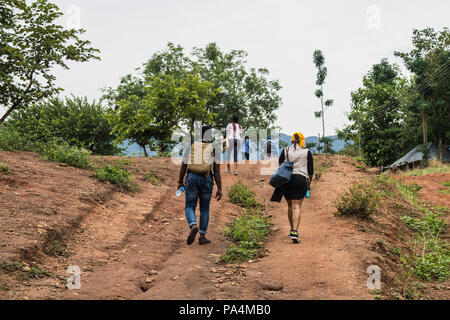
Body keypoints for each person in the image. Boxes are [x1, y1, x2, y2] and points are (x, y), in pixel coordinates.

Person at [178, 125, 223, 245]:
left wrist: (180, 181)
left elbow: (183, 165)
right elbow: (217, 170)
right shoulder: (214, 148)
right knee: (204, 209)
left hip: (192, 178)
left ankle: (193, 225)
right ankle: (202, 236)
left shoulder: (192, 146)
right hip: (206, 179)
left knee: (189, 206)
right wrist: (220, 188)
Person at [270, 132, 313, 244]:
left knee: (290, 205)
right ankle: (295, 230)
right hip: (301, 179)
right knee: (297, 205)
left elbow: (280, 166)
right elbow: (310, 171)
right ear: (302, 140)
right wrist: (309, 184)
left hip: (286, 180)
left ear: (292, 140)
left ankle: (292, 230)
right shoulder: (307, 152)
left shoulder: (285, 150)